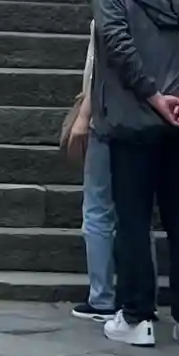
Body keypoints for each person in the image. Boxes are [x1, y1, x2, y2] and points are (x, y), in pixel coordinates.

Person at [86, 0, 179, 349]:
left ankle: (137, 316)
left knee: (133, 220)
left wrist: (156, 98)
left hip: (134, 122)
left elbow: (119, 49)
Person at [64, 29, 116, 324]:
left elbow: (103, 66)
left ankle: (103, 298)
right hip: (145, 120)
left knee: (97, 208)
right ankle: (140, 296)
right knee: (137, 213)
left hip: (106, 118)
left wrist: (84, 115)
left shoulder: (110, 7)